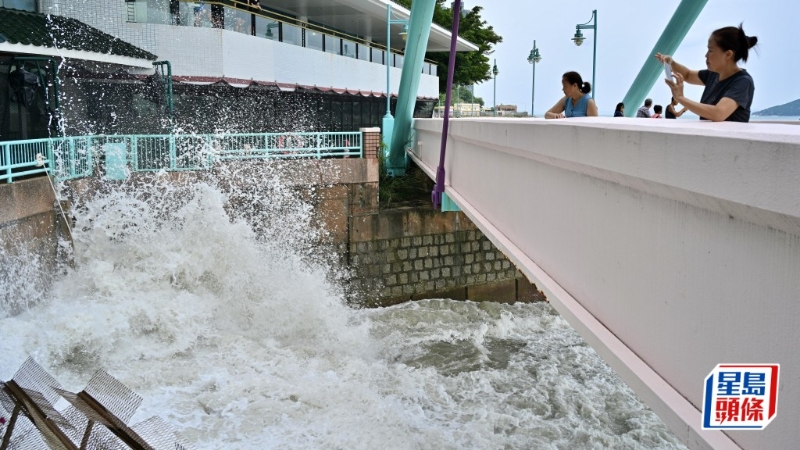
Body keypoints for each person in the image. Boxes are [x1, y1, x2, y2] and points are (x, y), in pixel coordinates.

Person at [657, 24, 757, 122]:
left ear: (728, 54)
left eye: (710, 50)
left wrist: (680, 98)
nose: (706, 55)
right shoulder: (713, 74)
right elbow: (687, 75)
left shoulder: (743, 81)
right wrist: (672, 63)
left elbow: (718, 114)